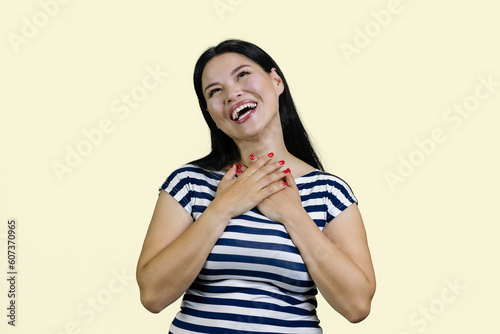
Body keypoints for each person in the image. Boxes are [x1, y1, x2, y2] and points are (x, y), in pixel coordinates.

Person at [136, 39, 376, 333]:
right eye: (215, 91)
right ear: (210, 113)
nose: (232, 93)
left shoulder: (329, 193)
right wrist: (222, 209)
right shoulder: (188, 184)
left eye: (243, 75)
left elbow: (356, 305)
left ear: (276, 81)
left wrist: (293, 216)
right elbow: (153, 295)